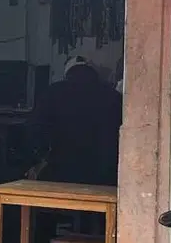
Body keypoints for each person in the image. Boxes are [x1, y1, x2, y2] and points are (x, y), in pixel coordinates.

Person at [27, 55, 123, 187]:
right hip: (105, 177)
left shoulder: (51, 93)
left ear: (67, 73)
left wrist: (39, 162)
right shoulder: (114, 97)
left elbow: (36, 131)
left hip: (60, 174)